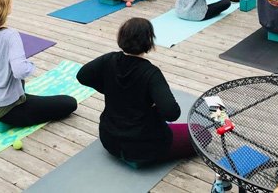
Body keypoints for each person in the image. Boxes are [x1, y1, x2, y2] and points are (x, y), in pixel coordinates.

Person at [76, 18, 196, 167]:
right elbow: (172, 113)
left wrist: (110, 90)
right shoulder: (151, 73)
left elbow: (82, 76)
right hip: (143, 148)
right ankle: (138, 160)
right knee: (201, 133)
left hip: (109, 140)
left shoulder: (108, 59)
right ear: (149, 42)